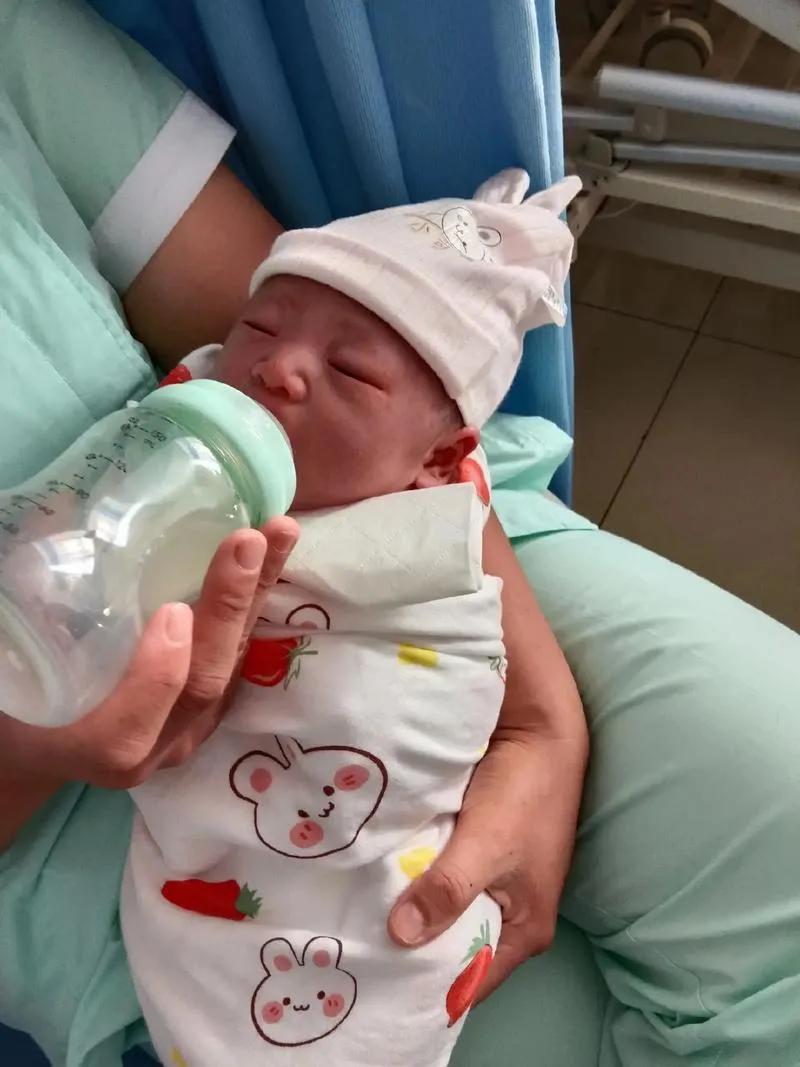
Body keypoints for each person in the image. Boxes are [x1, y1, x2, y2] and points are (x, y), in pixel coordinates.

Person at [2, 4, 800, 1067]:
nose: (279, 363)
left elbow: (307, 314)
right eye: (263, 343)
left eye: (327, 363)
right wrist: (30, 743)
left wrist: (538, 714)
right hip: (98, 829)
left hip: (425, 531)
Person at [120, 169, 577, 1067]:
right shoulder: (183, 434)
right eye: (260, 326)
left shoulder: (437, 518)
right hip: (225, 880)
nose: (278, 366)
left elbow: (482, 685)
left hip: (391, 885)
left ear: (437, 459)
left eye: (351, 369)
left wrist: (550, 734)